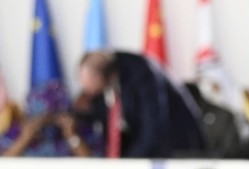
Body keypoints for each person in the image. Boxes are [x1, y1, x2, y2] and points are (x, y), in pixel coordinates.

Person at [78, 50, 206, 158]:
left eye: (91, 84)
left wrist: (129, 163)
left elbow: (152, 129)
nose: (88, 91)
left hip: (179, 147)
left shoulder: (142, 74)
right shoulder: (105, 87)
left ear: (106, 77)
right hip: (150, 149)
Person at [1, 81, 96, 157]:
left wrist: (72, 136)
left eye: (55, 116)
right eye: (42, 118)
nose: (49, 123)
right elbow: (4, 164)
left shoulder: (81, 131)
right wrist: (24, 139)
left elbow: (95, 165)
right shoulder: (15, 132)